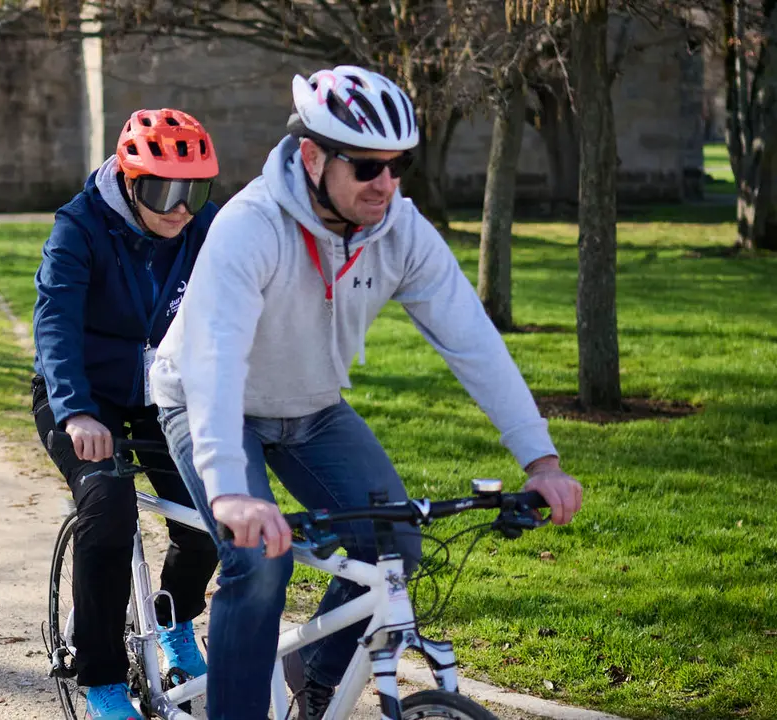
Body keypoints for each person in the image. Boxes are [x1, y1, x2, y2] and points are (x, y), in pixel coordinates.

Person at [149, 66, 585, 720]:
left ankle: (314, 678)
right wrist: (230, 490)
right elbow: (213, 360)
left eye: (397, 165)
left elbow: (471, 340)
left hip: (310, 407)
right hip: (210, 401)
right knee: (257, 565)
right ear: (311, 156)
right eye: (365, 166)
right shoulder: (250, 226)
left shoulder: (399, 230)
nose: (384, 183)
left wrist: (540, 460)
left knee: (397, 547)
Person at [32, 108, 223, 720]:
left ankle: (174, 620)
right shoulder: (78, 228)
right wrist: (77, 412)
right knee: (108, 515)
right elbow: (55, 325)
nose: (181, 207)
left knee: (208, 510)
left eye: (195, 190)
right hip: (85, 398)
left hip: (168, 395)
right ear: (131, 181)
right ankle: (103, 681)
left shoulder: (204, 228)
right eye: (165, 190)